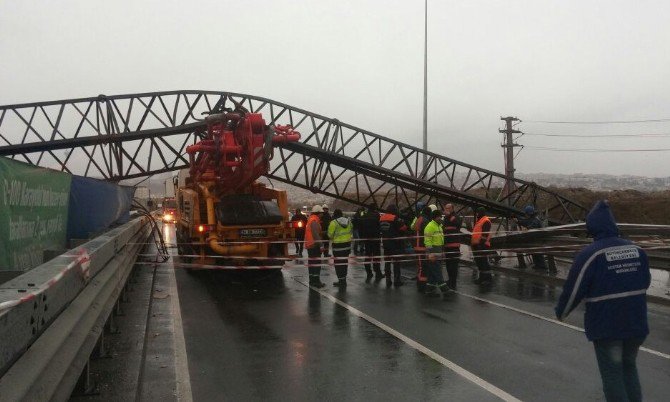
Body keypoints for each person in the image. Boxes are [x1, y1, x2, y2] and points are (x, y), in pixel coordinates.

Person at [555, 200, 650, 402]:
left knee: (613, 374)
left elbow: (574, 289)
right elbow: (645, 281)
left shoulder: (590, 255)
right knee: (629, 368)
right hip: (636, 323)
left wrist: (561, 312)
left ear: (592, 228)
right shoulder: (637, 251)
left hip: (608, 325)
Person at [379, 204, 408, 287]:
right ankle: (397, 280)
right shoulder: (395, 218)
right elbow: (403, 228)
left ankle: (388, 280)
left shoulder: (381, 218)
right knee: (396, 263)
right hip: (396, 244)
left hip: (385, 243)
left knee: (387, 262)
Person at [424, 209, 448, 296]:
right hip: (433, 253)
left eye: (441, 216)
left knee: (432, 273)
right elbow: (427, 241)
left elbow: (441, 240)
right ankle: (445, 289)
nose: (440, 218)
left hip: (438, 252)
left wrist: (443, 251)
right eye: (439, 216)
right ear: (434, 217)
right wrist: (430, 253)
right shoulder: (430, 226)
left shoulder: (439, 226)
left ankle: (429, 290)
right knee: (437, 271)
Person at [328, 209, 353, 288]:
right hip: (347, 246)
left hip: (338, 247)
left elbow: (330, 235)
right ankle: (344, 280)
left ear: (335, 215)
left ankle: (341, 280)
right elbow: (351, 231)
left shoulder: (333, 223)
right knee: (344, 262)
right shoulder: (348, 221)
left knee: (338, 264)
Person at [516, 204, 547, 270]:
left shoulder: (535, 220)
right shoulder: (531, 219)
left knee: (538, 254)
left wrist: (527, 229)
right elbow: (525, 222)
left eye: (526, 213)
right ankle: (537, 265)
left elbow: (532, 227)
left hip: (538, 240)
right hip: (535, 240)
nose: (525, 215)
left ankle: (542, 266)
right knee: (534, 253)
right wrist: (518, 221)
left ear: (529, 213)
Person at [358, 203, 383, 280]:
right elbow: (380, 226)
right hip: (375, 238)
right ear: (375, 208)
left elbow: (360, 228)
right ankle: (378, 273)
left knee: (368, 256)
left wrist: (362, 238)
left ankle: (369, 273)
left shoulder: (364, 216)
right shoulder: (377, 215)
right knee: (376, 256)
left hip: (367, 239)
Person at [411, 205, 432, 291]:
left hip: (418, 245)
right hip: (421, 246)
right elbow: (427, 233)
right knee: (422, 266)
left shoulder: (420, 219)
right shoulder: (425, 220)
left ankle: (422, 282)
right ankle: (421, 285)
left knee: (422, 266)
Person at [443, 204, 463, 290]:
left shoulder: (455, 217)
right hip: (447, 245)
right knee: (448, 264)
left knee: (453, 265)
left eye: (448, 208)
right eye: (446, 208)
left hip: (454, 245)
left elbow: (458, 223)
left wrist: (450, 217)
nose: (447, 210)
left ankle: (453, 282)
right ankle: (450, 280)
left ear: (452, 209)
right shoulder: (445, 218)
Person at [305, 205, 326, 288]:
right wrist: (321, 245)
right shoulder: (314, 221)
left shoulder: (311, 220)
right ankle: (316, 281)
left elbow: (316, 233)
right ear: (318, 213)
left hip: (310, 245)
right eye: (321, 213)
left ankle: (312, 280)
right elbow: (315, 234)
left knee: (312, 263)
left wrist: (324, 232)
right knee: (316, 264)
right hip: (314, 245)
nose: (322, 214)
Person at [471, 206, 493, 285]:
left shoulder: (485, 221)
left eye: (477, 212)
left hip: (482, 245)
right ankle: (482, 278)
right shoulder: (480, 220)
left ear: (480, 213)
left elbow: (484, 234)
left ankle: (488, 279)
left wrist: (481, 244)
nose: (476, 214)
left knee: (484, 263)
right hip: (477, 245)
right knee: (480, 262)